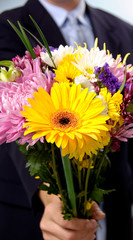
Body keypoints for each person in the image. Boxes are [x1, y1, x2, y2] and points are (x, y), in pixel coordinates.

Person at [0, 0, 133, 239]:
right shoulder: (7, 27)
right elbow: (14, 122)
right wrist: (53, 198)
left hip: (115, 214)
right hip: (39, 220)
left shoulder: (123, 29)